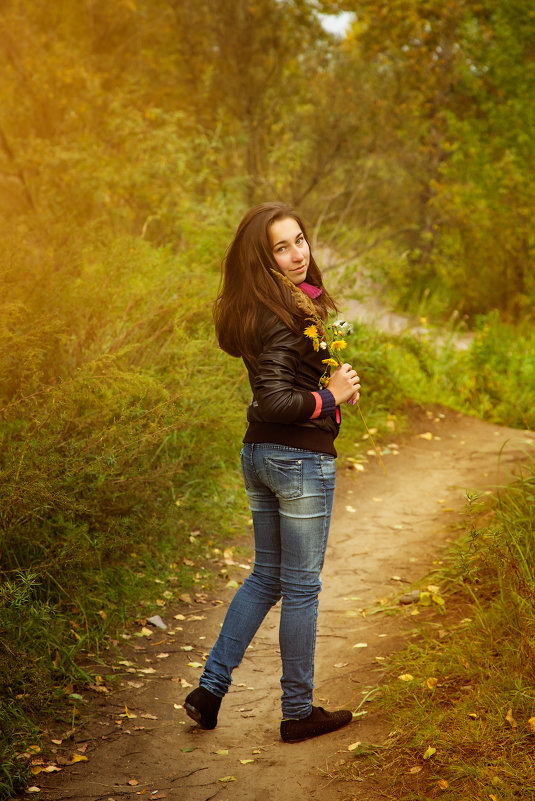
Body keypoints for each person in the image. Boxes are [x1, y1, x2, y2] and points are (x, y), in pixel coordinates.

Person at [184, 202, 361, 743]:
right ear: (263, 260)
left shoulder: (263, 310)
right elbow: (273, 400)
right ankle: (297, 711)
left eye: (299, 240)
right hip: (297, 460)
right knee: (301, 588)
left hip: (261, 457)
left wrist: (333, 385)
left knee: (267, 577)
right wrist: (327, 398)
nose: (296, 254)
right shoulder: (285, 315)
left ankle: (208, 692)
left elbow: (278, 388)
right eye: (280, 248)